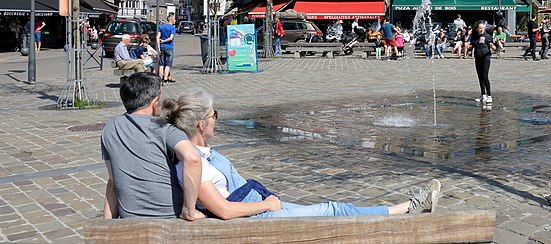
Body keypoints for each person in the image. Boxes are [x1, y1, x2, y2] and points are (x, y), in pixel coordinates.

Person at [163, 90, 441, 218]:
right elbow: (223, 210)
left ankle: (403, 207)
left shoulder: (196, 155)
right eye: (215, 115)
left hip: (258, 207)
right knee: (333, 209)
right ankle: (407, 208)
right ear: (202, 123)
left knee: (331, 208)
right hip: (258, 216)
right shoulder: (193, 163)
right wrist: (267, 205)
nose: (216, 120)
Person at [101, 73, 204, 220]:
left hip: (131, 218)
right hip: (170, 216)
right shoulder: (164, 128)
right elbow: (193, 158)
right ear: (154, 102)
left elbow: (113, 181)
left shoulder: (111, 127)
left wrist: (108, 225)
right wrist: (189, 210)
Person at [467, 21, 496, 104]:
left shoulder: (487, 36)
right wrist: (469, 46)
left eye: (482, 28)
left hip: (485, 58)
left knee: (485, 76)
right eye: (480, 28)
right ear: (477, 29)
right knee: (480, 76)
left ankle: (489, 95)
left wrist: (493, 47)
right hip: (477, 57)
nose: (481, 29)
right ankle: (483, 94)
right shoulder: (475, 36)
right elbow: (472, 45)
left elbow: (491, 44)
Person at [157, 15, 177, 83]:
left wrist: (159, 46)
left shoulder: (162, 27)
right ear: (171, 20)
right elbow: (171, 38)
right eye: (174, 19)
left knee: (161, 64)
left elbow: (157, 37)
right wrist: (164, 41)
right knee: (168, 64)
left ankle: (160, 78)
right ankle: (165, 78)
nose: (175, 20)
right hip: (169, 47)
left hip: (162, 47)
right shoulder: (172, 28)